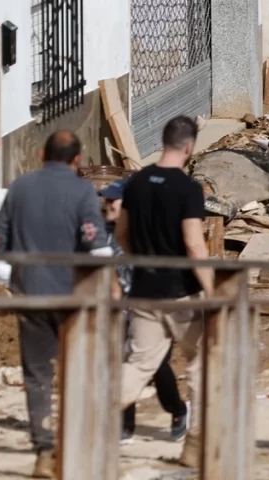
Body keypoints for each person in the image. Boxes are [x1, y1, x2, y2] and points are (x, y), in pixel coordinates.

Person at [0, 131, 112, 478]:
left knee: (37, 374)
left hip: (31, 293)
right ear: (77, 160)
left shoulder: (18, 188)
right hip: (73, 296)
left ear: (43, 152)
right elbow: (98, 249)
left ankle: (45, 448)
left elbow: (0, 245)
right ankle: (76, 442)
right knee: (78, 366)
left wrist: (12, 281)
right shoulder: (82, 191)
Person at [116, 116, 212, 470]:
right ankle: (194, 446)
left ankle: (87, 424)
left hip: (143, 290)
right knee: (201, 365)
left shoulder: (137, 182)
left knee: (139, 364)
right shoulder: (187, 189)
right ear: (189, 147)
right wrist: (212, 290)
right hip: (180, 294)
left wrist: (140, 263)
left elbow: (122, 233)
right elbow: (194, 246)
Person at [100, 179, 188, 445]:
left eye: (113, 200)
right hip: (117, 312)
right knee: (121, 365)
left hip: (151, 310)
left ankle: (177, 410)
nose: (107, 204)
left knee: (157, 367)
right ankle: (125, 426)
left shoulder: (149, 234)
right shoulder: (103, 232)